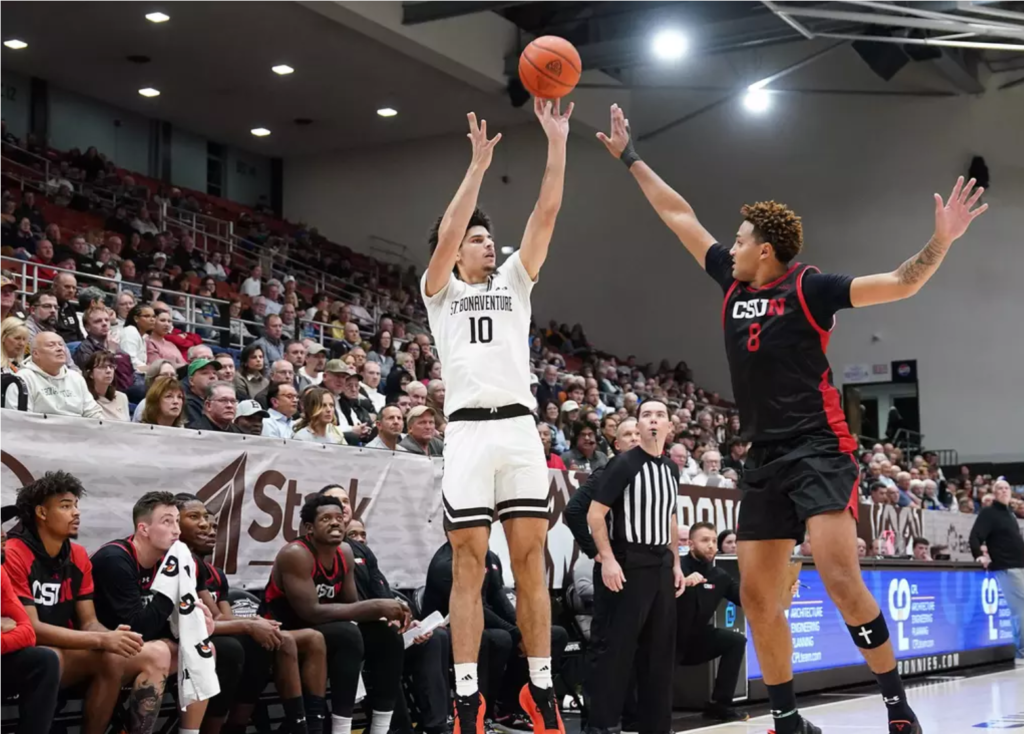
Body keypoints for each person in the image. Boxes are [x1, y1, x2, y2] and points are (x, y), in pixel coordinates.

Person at [596, 106, 988, 734]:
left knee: (838, 576)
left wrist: (941, 240)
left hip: (818, 447)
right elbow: (679, 216)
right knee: (756, 597)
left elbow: (899, 283)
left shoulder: (810, 287)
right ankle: (787, 720)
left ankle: (894, 701)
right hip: (762, 458)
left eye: (742, 236)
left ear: (766, 249)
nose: (732, 242)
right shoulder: (732, 278)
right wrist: (630, 155)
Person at [420, 97, 573, 734]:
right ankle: (466, 698)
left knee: (531, 558)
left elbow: (547, 212)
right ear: (456, 250)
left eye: (489, 238)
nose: (487, 245)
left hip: (517, 429)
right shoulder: (438, 291)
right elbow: (451, 227)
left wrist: (557, 142)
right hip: (468, 433)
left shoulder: (515, 282)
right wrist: (477, 168)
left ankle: (541, 689)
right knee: (468, 562)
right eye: (476, 239)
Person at [4, 471, 155, 734]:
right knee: (51, 658)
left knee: (114, 657)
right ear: (41, 512)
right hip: (28, 650)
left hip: (61, 646)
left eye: (76, 505)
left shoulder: (78, 554)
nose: (76, 513)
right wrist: (100, 640)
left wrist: (114, 637)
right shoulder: (15, 552)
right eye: (65, 506)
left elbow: (89, 622)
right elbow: (32, 629)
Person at [175, 493, 327, 734]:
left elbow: (220, 618)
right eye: (196, 518)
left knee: (276, 639)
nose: (209, 529)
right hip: (182, 639)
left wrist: (255, 623)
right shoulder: (176, 561)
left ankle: (283, 725)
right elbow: (198, 622)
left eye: (213, 524)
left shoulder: (212, 573)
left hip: (210, 631)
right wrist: (250, 625)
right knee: (236, 647)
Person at [260, 494, 406, 734]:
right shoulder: (295, 553)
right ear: (309, 527)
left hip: (325, 628)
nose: (336, 523)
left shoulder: (345, 552)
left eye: (339, 518)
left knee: (387, 633)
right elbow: (310, 612)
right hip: (285, 629)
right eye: (326, 519)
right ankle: (341, 729)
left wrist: (387, 612)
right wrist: (377, 605)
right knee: (347, 634)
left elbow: (350, 604)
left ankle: (381, 728)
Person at [585, 401, 688, 734]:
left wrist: (675, 563)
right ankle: (602, 727)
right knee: (617, 653)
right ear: (639, 426)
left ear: (670, 426)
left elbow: (671, 518)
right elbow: (594, 515)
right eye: (647, 415)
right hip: (629, 563)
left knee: (659, 654)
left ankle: (657, 727)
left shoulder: (672, 469)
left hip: (660, 565)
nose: (653, 420)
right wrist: (608, 558)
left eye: (659, 416)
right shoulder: (623, 464)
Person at [91, 491, 214, 733]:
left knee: (205, 648)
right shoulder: (115, 559)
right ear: (144, 529)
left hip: (138, 646)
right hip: (103, 649)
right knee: (159, 653)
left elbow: (170, 623)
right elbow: (137, 626)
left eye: (177, 521)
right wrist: (170, 591)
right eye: (167, 522)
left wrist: (197, 622)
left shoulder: (176, 558)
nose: (177, 531)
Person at [677, 522, 747, 721]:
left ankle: (720, 705)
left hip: (697, 640)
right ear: (690, 544)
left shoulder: (719, 576)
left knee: (735, 641)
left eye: (714, 541)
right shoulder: (677, 568)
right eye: (705, 540)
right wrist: (683, 581)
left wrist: (782, 590)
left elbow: (747, 600)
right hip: (668, 639)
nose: (711, 545)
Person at [970, 479, 1024, 663]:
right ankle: (1021, 652)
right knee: (1020, 610)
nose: (1004, 491)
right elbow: (975, 536)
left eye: (1007, 488)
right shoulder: (989, 513)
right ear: (994, 493)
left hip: (1019, 565)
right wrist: (979, 555)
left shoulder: (1009, 514)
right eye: (999, 488)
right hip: (1007, 567)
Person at [6, 331, 103, 418]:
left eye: (61, 345)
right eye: (51, 345)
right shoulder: (22, 379)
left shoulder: (76, 377)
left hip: (78, 434)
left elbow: (92, 413)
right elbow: (19, 421)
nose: (59, 349)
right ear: (36, 354)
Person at [82, 350, 130, 421]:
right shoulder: (86, 399)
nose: (108, 371)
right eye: (102, 367)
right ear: (91, 374)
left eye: (111, 366)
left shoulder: (122, 397)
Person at [184, 357, 225, 426]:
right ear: (191, 381)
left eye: (214, 373)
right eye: (205, 373)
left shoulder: (220, 402)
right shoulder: (187, 404)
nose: (212, 376)